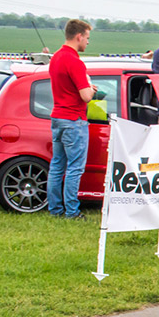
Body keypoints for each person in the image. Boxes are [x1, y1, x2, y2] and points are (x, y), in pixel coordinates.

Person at [47, 18, 97, 220]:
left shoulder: (56, 57)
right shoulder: (75, 61)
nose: (88, 42)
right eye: (87, 38)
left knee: (57, 165)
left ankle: (55, 209)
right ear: (78, 36)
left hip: (57, 117)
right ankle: (72, 211)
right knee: (75, 168)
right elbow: (86, 96)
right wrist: (91, 88)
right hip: (74, 119)